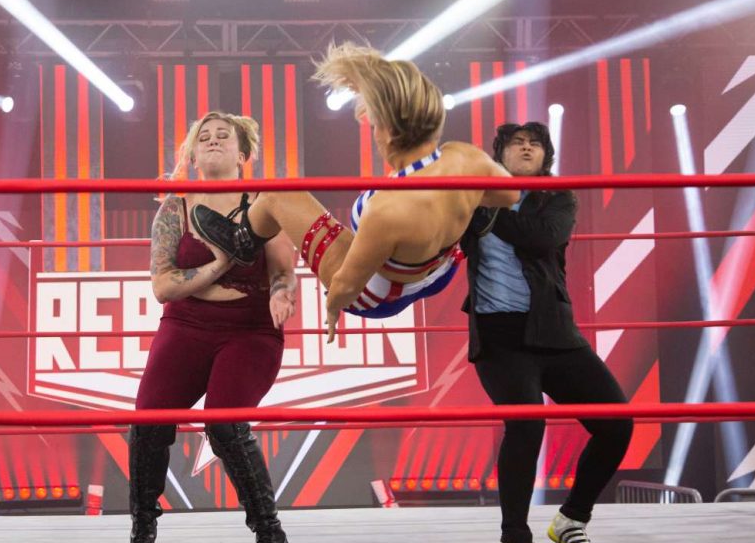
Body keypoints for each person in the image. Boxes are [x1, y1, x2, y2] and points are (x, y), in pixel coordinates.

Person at [188, 42, 520, 341]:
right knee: (381, 246)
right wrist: (459, 205)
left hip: (377, 296)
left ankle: (241, 241)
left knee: (279, 194)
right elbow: (510, 195)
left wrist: (332, 310)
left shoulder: (388, 208)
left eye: (372, 124)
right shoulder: (465, 158)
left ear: (385, 130)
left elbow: (346, 284)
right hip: (441, 273)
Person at [126, 111, 299, 543]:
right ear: (193, 153)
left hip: (250, 329)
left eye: (224, 136)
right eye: (204, 137)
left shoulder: (262, 204)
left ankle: (271, 539)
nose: (214, 140)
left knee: (224, 424)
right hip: (185, 325)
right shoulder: (175, 208)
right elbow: (163, 286)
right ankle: (142, 533)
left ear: (243, 153)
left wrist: (282, 292)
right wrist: (222, 262)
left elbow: (284, 271)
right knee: (148, 420)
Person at [460, 122, 633, 543]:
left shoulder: (557, 196)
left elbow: (540, 238)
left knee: (617, 423)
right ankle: (514, 541)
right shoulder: (469, 196)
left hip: (553, 330)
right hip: (499, 336)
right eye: (516, 143)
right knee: (526, 424)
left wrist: (488, 205)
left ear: (545, 157)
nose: (525, 148)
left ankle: (572, 519)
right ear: (499, 154)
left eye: (534, 144)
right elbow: (434, 239)